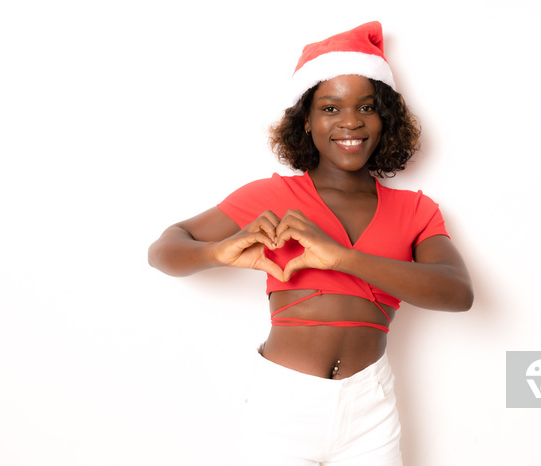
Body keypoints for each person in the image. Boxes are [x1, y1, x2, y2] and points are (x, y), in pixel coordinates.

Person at [148, 21, 473, 466]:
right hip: (282, 405)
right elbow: (164, 248)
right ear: (307, 119)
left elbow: (458, 293)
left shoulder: (415, 209)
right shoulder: (272, 196)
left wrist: (342, 258)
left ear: (386, 118)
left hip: (371, 408)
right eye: (330, 108)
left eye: (367, 106)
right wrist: (214, 252)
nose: (351, 122)